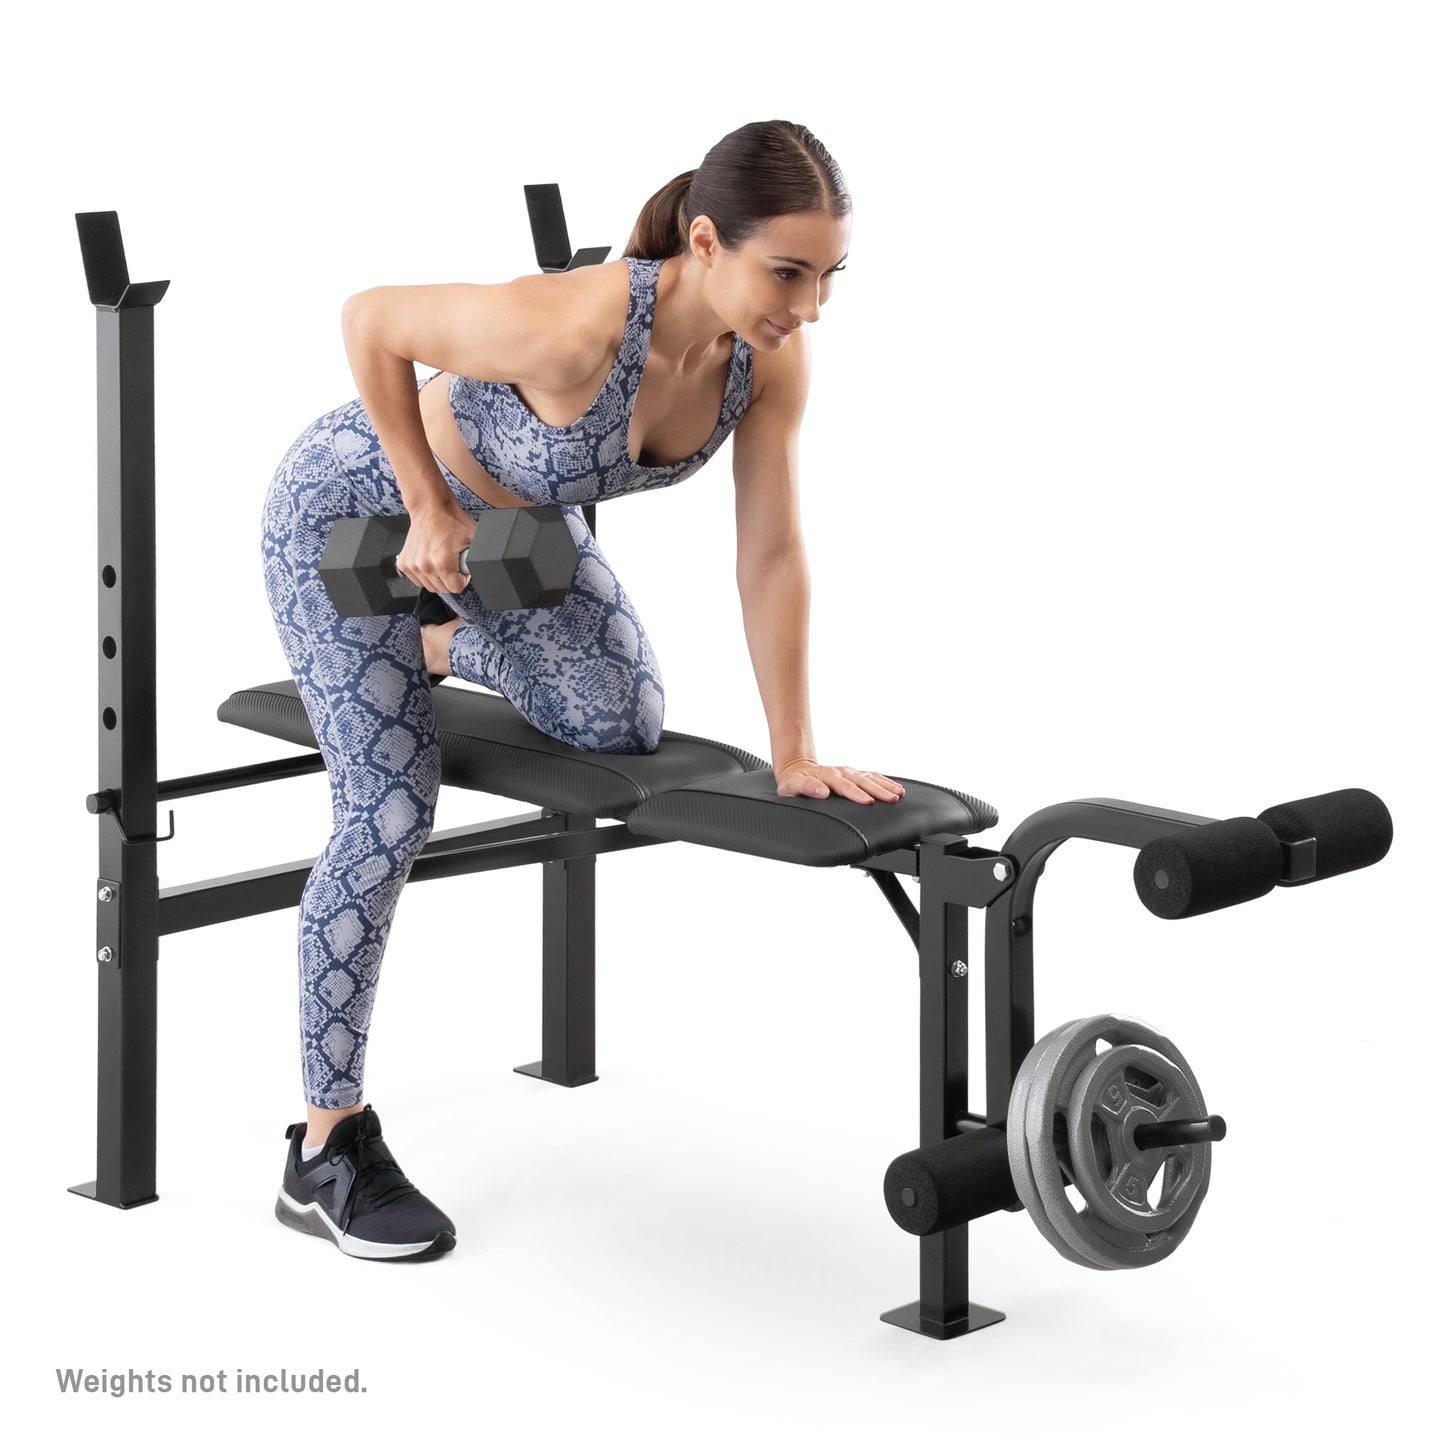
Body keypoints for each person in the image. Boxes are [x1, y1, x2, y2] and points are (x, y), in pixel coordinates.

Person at [261, 119, 902, 1261]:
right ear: (706, 242)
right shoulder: (571, 326)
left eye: (829, 277)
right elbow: (369, 320)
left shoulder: (770, 358)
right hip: (349, 518)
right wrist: (423, 499)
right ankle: (325, 1144)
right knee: (390, 810)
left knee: (621, 722)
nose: (808, 308)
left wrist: (794, 747)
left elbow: (770, 553)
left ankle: (426, 648)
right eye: (788, 273)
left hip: (511, 542)